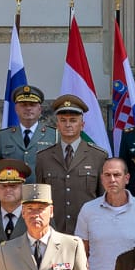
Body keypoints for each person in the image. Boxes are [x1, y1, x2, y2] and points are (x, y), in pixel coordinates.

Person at [35, 94, 110, 233]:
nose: (68, 124)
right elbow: (41, 199)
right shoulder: (43, 157)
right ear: (57, 125)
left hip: (87, 230)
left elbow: (103, 199)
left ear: (82, 125)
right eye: (63, 120)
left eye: (73, 120)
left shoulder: (98, 156)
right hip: (54, 230)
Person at [0, 85, 47, 163]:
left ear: (40, 109)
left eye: (32, 104)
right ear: (16, 109)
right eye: (24, 105)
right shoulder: (3, 136)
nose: (28, 108)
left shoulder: (54, 136)